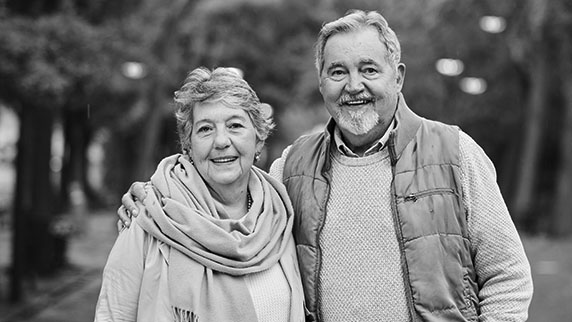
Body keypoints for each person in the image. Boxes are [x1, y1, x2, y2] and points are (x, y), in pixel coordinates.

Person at [118, 10, 533, 322]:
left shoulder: (455, 152)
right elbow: (225, 187)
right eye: (338, 71)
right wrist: (155, 197)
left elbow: (508, 277)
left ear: (398, 77)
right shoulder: (292, 168)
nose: (354, 86)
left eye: (368, 69)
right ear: (321, 82)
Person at [95, 67, 304, 322]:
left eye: (235, 125)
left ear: (259, 139)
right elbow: (113, 315)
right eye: (205, 129)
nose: (221, 141)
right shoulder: (148, 215)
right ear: (188, 145)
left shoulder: (279, 216)